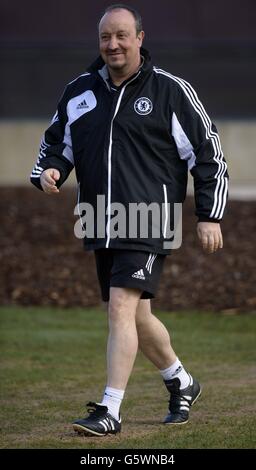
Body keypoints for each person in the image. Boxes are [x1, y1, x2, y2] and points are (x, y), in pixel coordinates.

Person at [30, 4, 228, 436]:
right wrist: (51, 171)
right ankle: (181, 380)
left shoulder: (169, 91)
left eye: (121, 35)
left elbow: (207, 151)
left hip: (150, 215)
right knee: (134, 313)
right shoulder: (80, 90)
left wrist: (209, 215)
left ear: (140, 38)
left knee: (121, 306)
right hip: (100, 215)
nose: (112, 44)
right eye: (105, 37)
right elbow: (57, 143)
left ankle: (110, 409)